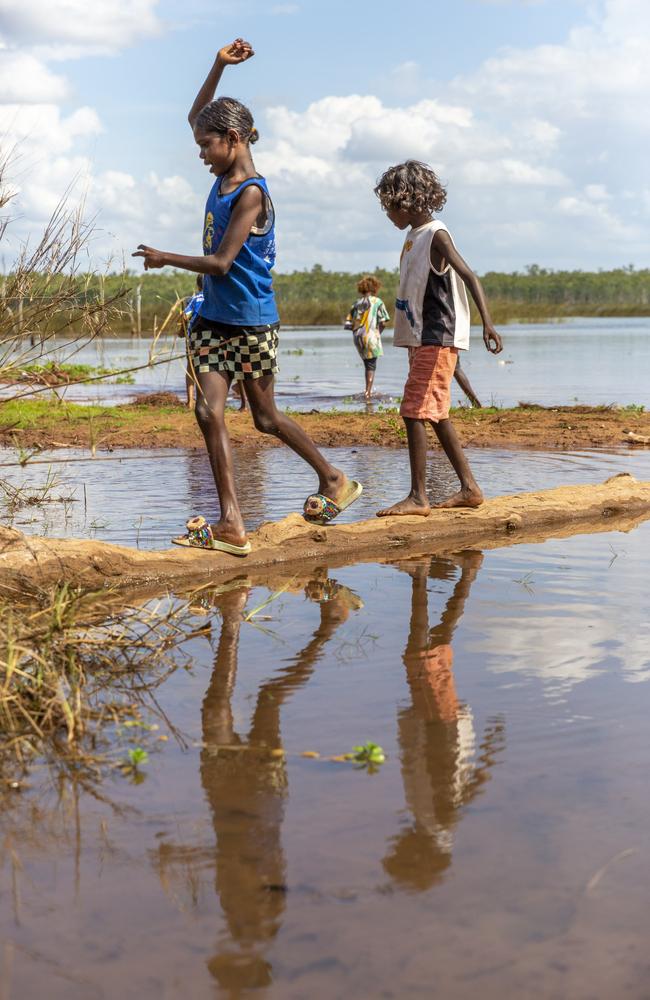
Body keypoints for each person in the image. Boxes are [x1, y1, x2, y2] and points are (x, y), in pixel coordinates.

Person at [133, 39, 362, 553]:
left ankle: (332, 478)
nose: (200, 153)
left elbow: (220, 263)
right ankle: (232, 524)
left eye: (206, 146)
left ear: (232, 139)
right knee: (209, 413)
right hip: (214, 318)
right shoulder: (222, 168)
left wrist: (165, 257)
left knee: (263, 417)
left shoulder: (251, 192)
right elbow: (198, 114)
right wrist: (217, 64)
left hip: (253, 321)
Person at [373, 160, 503, 515]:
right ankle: (470, 488)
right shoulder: (413, 237)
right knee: (437, 413)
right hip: (422, 337)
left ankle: (418, 497)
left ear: (407, 201)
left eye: (389, 207)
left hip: (437, 336)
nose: (388, 214)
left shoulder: (436, 234)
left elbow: (469, 275)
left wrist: (486, 323)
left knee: (413, 411)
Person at [344, 275, 390, 401]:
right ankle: (368, 393)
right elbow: (384, 321)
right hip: (370, 336)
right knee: (371, 366)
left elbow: (349, 324)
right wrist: (377, 333)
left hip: (357, 337)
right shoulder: (377, 302)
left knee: (367, 364)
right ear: (375, 287)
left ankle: (367, 390)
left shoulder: (356, 303)